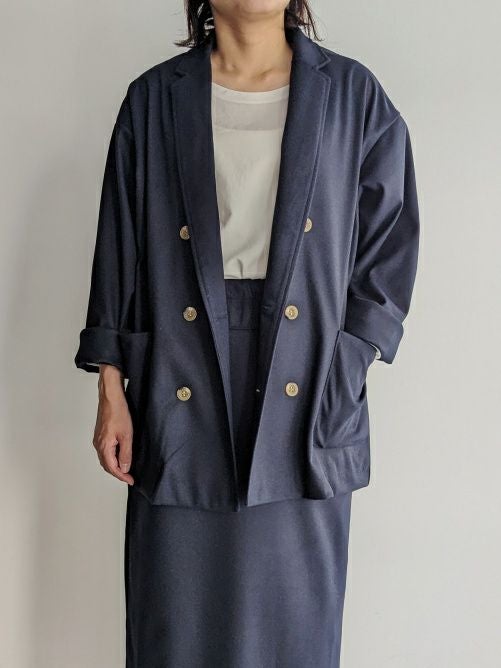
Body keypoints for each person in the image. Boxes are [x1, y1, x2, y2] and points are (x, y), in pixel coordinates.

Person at [74, 1, 420, 666]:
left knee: (294, 620)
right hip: (178, 372)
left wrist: (350, 357)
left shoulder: (353, 96)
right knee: (176, 620)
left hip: (305, 377)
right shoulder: (153, 99)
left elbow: (391, 240)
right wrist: (111, 387)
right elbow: (119, 249)